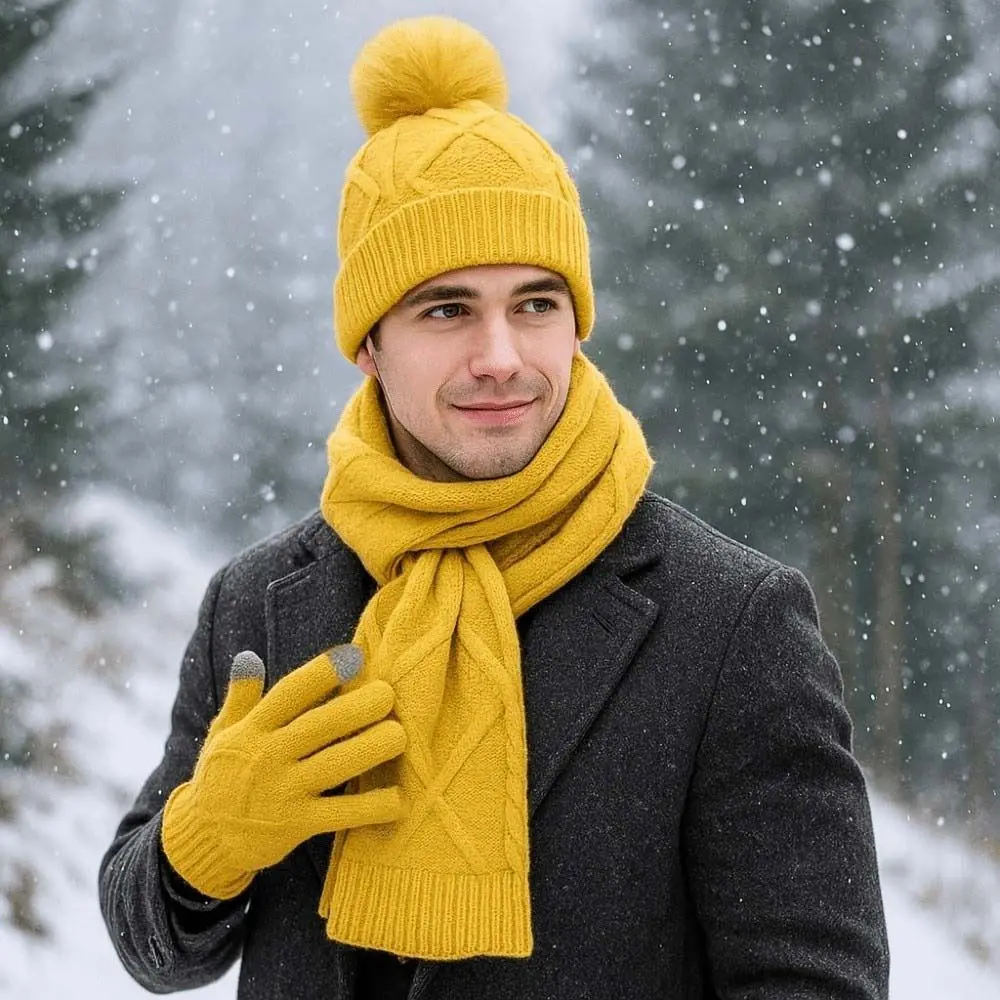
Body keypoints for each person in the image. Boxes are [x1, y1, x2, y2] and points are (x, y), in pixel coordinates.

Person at [99, 15, 890, 1000]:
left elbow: (812, 983)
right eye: (446, 309)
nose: (502, 357)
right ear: (368, 346)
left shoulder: (730, 621)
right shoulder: (258, 604)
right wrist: (203, 838)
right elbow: (148, 947)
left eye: (534, 303)